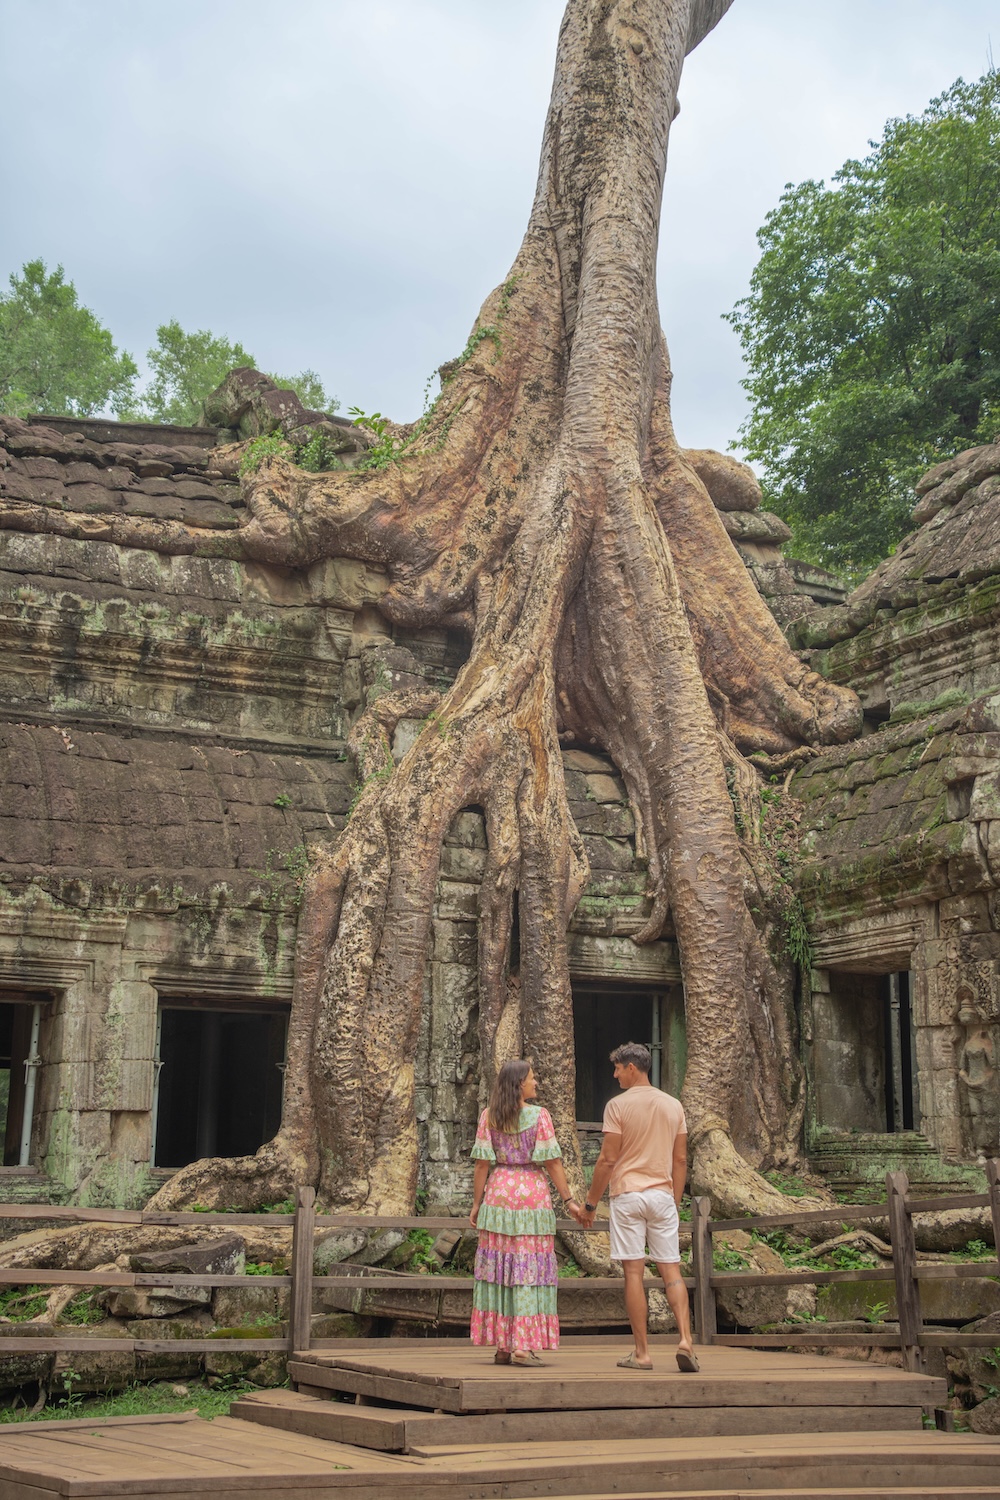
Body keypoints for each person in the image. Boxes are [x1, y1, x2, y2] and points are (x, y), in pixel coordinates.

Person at [579, 1041, 698, 1372]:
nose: (615, 1075)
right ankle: (686, 1341)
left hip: (628, 1194)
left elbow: (606, 1159)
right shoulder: (673, 1106)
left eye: (618, 1068)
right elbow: (680, 1158)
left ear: (632, 1067)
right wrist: (673, 1201)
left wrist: (590, 1204)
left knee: (634, 1272)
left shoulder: (617, 1106)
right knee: (670, 1269)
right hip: (662, 1196)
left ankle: (642, 1353)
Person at [470, 1059, 583, 1366]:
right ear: (519, 1084)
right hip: (531, 1195)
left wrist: (477, 1203)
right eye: (533, 1078)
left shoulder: (489, 1116)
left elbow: (482, 1163)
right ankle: (523, 1345)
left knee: (501, 1268)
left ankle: (504, 1345)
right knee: (527, 1269)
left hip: (499, 1194)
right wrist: (569, 1199)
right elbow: (553, 1163)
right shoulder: (539, 1116)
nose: (537, 1082)